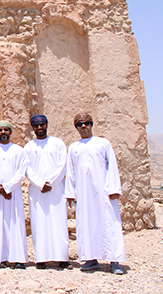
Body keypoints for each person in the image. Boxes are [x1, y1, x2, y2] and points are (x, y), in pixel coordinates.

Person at [65, 113, 126, 275]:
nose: (83, 127)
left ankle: (114, 260)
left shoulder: (103, 143)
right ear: (76, 128)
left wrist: (113, 189)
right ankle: (90, 259)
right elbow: (70, 171)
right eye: (80, 124)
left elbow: (112, 166)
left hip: (103, 192)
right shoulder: (73, 147)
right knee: (86, 225)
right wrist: (70, 193)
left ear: (91, 125)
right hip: (83, 195)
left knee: (109, 223)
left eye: (86, 123)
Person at [24, 115, 70, 270]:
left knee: (59, 223)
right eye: (36, 126)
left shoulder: (57, 143)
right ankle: (41, 258)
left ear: (46, 125)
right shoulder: (29, 147)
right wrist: (40, 184)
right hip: (37, 192)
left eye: (42, 125)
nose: (39, 128)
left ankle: (62, 258)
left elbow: (62, 164)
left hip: (56, 190)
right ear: (32, 128)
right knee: (39, 224)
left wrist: (51, 183)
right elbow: (27, 169)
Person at [0, 120, 29, 269]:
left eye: (6, 130)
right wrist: (0, 188)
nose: (3, 132)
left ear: (10, 132)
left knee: (16, 224)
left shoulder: (19, 151)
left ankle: (18, 259)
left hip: (14, 194)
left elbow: (21, 171)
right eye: (0, 130)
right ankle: (0, 258)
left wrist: (8, 188)